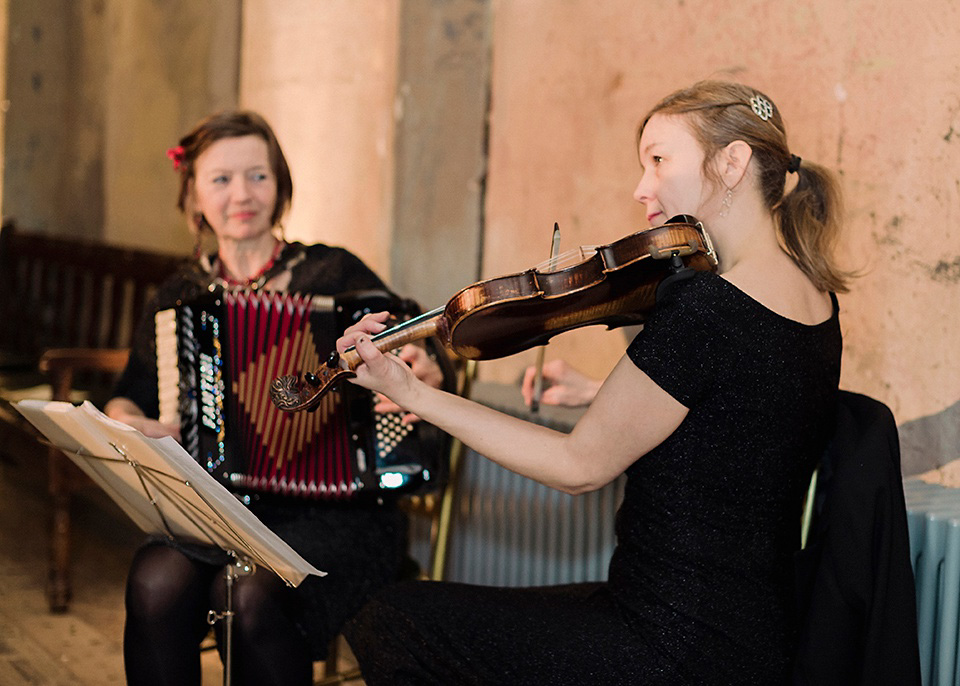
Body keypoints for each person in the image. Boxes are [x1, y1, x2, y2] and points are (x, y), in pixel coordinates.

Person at [335, 80, 849, 684]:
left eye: (659, 160)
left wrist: (416, 393)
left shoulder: (708, 308)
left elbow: (579, 466)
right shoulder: (814, 297)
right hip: (747, 632)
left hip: (669, 644)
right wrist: (597, 392)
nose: (640, 188)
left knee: (391, 618)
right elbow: (736, 414)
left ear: (732, 162)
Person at [105, 110, 444, 686]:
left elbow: (415, 345)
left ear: (280, 185)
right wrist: (135, 426)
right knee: (154, 580)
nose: (242, 194)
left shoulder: (333, 272)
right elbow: (126, 398)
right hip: (217, 512)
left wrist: (423, 369)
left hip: (338, 513)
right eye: (221, 179)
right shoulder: (179, 297)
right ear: (194, 198)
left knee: (248, 592)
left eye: (258, 176)